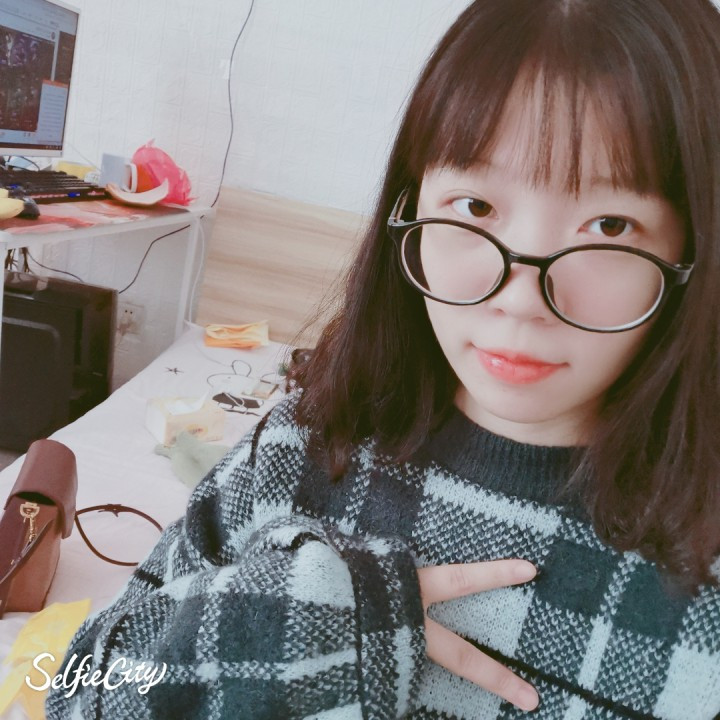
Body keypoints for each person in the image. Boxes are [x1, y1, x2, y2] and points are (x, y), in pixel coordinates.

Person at [46, 0, 720, 717]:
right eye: (475, 208)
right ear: (412, 209)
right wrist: (302, 616)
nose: (522, 298)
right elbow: (79, 696)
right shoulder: (302, 450)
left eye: (610, 225)